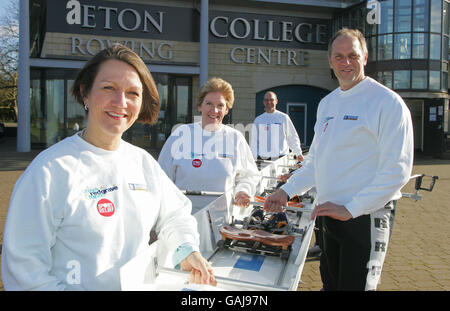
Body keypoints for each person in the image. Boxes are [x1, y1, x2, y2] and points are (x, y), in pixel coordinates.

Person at [1, 44, 215, 290]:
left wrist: (186, 249)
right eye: (108, 88)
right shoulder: (49, 171)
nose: (120, 102)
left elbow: (175, 214)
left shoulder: (142, 162)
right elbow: (24, 273)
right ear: (85, 94)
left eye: (133, 93)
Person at [263, 28, 414, 291]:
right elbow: (316, 162)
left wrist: (352, 208)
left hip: (365, 215)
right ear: (330, 61)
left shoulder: (387, 103)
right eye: (339, 56)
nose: (346, 62)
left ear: (365, 57)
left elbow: (397, 170)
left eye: (353, 55)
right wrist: (286, 191)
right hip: (329, 214)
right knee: (331, 286)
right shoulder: (328, 103)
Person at [158, 77, 260, 208]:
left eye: (220, 105)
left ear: (227, 109)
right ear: (200, 106)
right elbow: (161, 176)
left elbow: (249, 175)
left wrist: (243, 190)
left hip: (221, 221)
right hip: (182, 219)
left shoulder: (235, 138)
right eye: (209, 104)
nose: (214, 110)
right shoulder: (180, 134)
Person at [251, 91, 304, 161]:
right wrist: (253, 157)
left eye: (271, 100)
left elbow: (292, 136)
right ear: (263, 102)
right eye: (266, 100)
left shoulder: (284, 117)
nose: (269, 102)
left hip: (281, 158)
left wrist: (298, 153)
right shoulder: (258, 120)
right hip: (262, 159)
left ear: (276, 101)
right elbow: (254, 141)